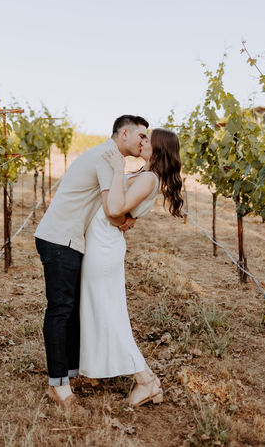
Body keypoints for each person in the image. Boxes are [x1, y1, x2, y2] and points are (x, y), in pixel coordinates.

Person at [34, 114, 149, 409]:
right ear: (124, 134)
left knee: (70, 310)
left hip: (71, 239)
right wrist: (126, 217)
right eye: (140, 136)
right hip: (60, 238)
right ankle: (57, 385)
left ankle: (68, 374)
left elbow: (120, 198)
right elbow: (113, 209)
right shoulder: (106, 158)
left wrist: (130, 216)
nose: (143, 141)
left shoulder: (108, 159)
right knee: (60, 310)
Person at [79, 128, 184, 407]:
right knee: (101, 309)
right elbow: (120, 211)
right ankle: (103, 368)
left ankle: (146, 380)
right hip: (101, 241)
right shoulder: (144, 174)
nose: (142, 141)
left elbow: (115, 208)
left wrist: (116, 169)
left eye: (148, 139)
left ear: (159, 149)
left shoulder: (149, 178)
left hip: (104, 247)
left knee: (109, 313)